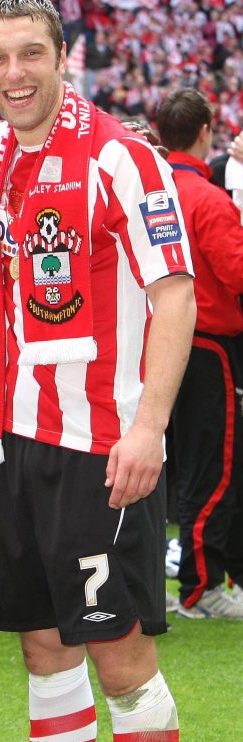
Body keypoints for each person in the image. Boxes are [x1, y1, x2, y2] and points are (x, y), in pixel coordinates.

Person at [0, 0, 195, 742]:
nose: (13, 73)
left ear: (65, 56)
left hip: (102, 447)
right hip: (10, 443)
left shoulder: (121, 159)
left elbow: (172, 294)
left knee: (119, 648)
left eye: (29, 55)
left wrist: (148, 425)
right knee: (43, 643)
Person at [155, 89, 243, 620]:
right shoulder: (209, 200)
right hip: (209, 345)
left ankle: (180, 577)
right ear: (206, 130)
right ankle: (200, 584)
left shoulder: (156, 193)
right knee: (212, 468)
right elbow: (237, 272)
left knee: (171, 466)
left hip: (159, 342)